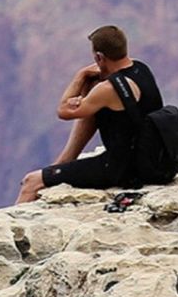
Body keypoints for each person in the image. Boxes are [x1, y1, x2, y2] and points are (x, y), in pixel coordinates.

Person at [16, 25, 163, 203]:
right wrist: (91, 90)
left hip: (120, 168)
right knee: (95, 107)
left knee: (31, 182)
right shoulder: (141, 69)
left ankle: (13, 226)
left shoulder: (109, 89)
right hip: (150, 159)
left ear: (99, 57)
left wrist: (81, 75)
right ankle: (63, 163)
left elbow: (63, 111)